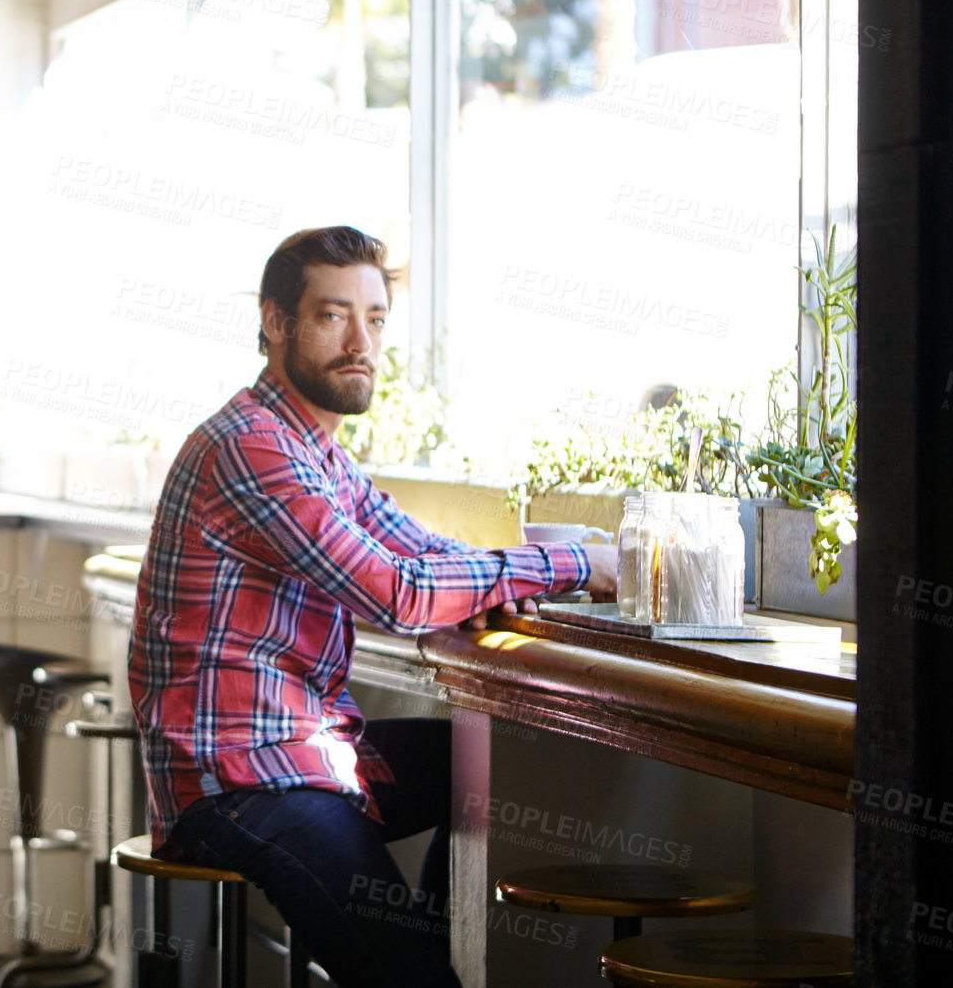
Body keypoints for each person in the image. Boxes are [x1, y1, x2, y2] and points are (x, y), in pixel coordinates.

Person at [128, 226, 619, 987]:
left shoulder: (319, 454)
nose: (361, 342)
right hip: (239, 783)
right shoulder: (251, 446)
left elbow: (423, 554)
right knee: (411, 976)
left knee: (488, 769)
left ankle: (418, 952)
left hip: (309, 754)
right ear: (275, 322)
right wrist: (581, 562)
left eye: (377, 319)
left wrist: (525, 578)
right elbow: (395, 593)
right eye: (332, 316)